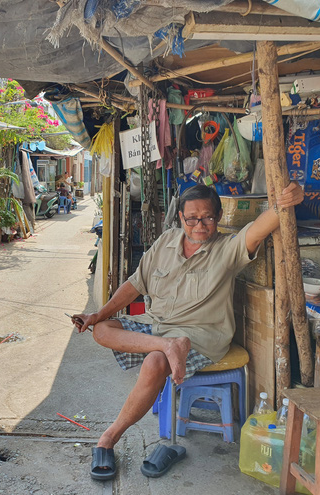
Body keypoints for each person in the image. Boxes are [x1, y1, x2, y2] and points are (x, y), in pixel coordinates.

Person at [73, 182, 304, 481]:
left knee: (154, 362)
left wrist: (284, 203)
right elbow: (134, 285)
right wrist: (97, 314)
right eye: (192, 218)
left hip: (201, 338)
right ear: (180, 218)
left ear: (218, 216)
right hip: (158, 328)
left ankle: (108, 438)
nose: (199, 224)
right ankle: (167, 346)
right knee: (102, 330)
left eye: (207, 217)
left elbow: (259, 227)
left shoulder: (227, 249)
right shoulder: (166, 242)